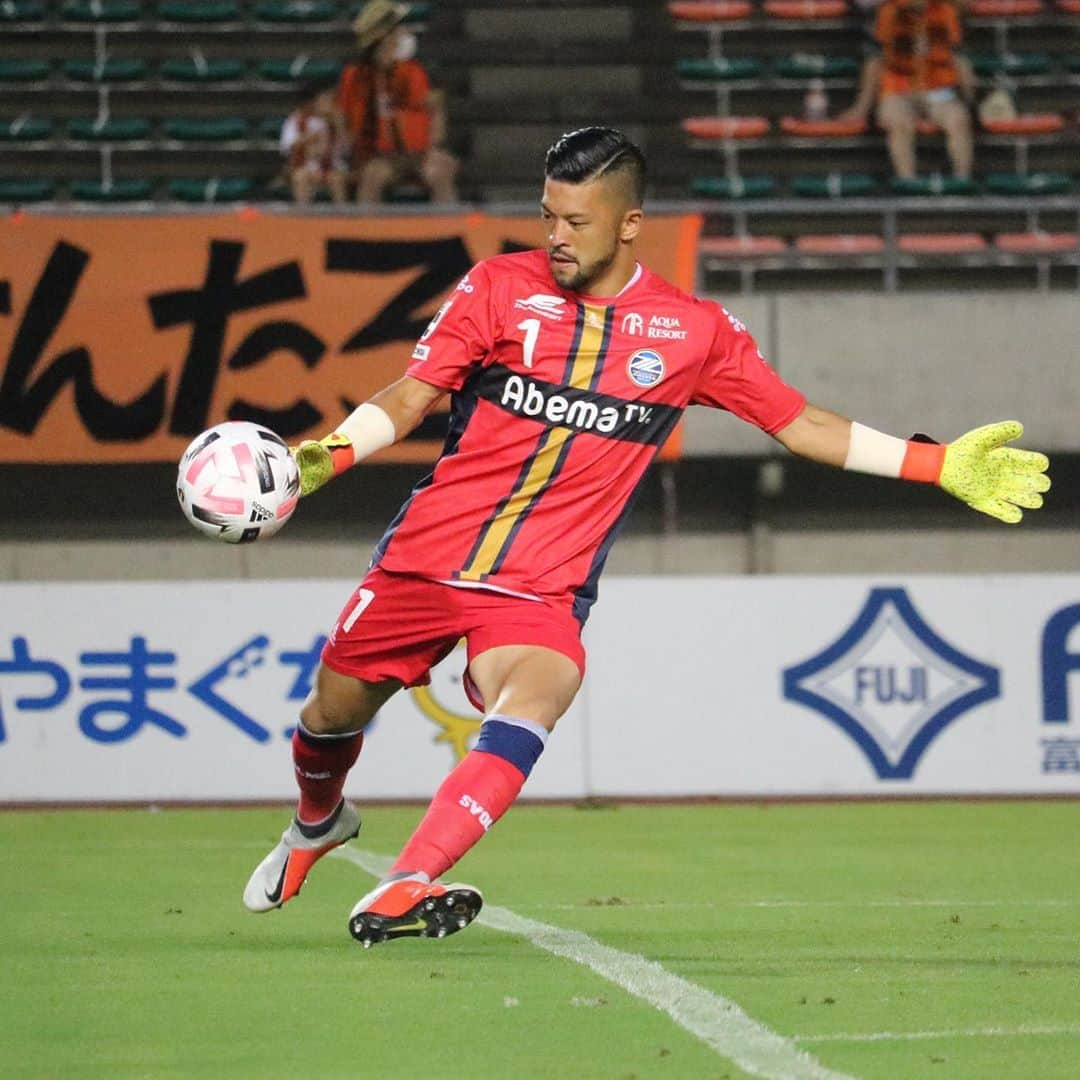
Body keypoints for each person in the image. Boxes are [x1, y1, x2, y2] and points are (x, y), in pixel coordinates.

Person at [243, 126, 1050, 947]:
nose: (556, 237)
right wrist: (333, 454)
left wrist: (937, 462)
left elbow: (801, 425)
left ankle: (409, 879)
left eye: (577, 222)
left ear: (630, 223)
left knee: (541, 694)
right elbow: (413, 396)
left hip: (537, 592)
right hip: (423, 564)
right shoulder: (496, 288)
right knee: (330, 718)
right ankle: (317, 823)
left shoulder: (692, 332)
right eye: (548, 217)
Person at [337, 0, 458, 204]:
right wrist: (348, 152)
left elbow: (435, 110)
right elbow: (343, 116)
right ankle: (368, 234)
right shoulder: (355, 77)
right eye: (397, 29)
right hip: (380, 157)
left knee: (441, 171)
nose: (403, 33)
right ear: (382, 37)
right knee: (371, 178)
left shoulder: (413, 72)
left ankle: (448, 230)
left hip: (420, 155)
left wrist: (435, 147)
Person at [839, 0, 974, 180]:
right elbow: (875, 60)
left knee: (958, 121)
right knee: (899, 123)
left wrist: (972, 102)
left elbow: (959, 58)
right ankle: (908, 182)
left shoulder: (946, 11)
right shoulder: (888, 12)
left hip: (938, 89)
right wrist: (861, 107)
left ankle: (962, 181)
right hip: (898, 87)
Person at [279, 80, 350, 204]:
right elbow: (287, 147)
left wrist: (339, 126)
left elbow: (346, 151)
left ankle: (341, 215)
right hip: (307, 166)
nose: (326, 105)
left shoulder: (337, 121)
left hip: (332, 166)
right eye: (322, 101)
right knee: (301, 176)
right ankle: (303, 215)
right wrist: (309, 138)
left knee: (337, 179)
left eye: (329, 101)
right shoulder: (297, 120)